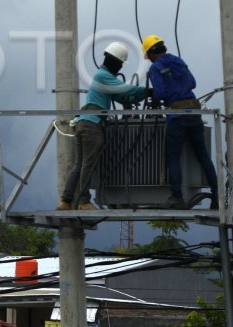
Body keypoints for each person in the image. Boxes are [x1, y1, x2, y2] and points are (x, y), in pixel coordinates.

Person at [58, 42, 148, 210]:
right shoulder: (102, 76)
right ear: (114, 61)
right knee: (87, 164)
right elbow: (126, 89)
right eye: (120, 63)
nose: (120, 67)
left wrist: (135, 98)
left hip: (84, 123)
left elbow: (122, 97)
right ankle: (84, 201)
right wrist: (147, 91)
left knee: (79, 164)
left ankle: (65, 201)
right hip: (93, 125)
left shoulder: (104, 78)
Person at [142, 34, 219, 209]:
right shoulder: (178, 61)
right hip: (194, 112)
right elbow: (192, 83)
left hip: (177, 115)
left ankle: (177, 197)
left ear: (151, 53)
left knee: (173, 157)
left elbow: (160, 94)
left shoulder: (156, 67)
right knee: (203, 155)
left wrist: (158, 93)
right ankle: (217, 197)